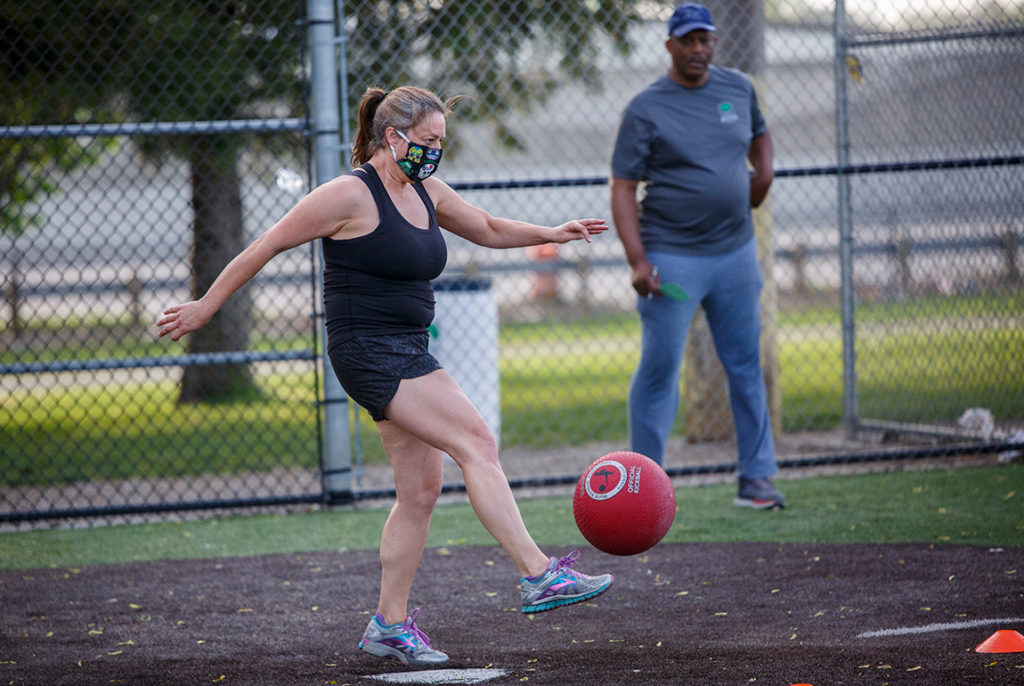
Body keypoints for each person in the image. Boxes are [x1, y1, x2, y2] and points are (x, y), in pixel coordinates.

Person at [158, 85, 614, 667]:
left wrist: (551, 232)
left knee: (419, 492)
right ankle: (537, 575)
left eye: (441, 142)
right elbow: (265, 245)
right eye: (427, 141)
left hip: (406, 347)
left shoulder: (423, 190)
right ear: (392, 136)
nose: (434, 152)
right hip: (367, 350)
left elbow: (488, 226)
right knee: (476, 441)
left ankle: (389, 625)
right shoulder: (349, 194)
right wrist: (205, 306)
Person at [609, 4, 786, 510]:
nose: (697, 49)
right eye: (687, 40)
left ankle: (757, 479)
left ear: (713, 43)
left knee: (745, 366)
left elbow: (760, 133)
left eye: (705, 39)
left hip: (735, 254)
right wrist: (638, 261)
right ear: (670, 45)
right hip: (672, 262)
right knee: (660, 367)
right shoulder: (645, 109)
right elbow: (623, 188)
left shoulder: (737, 89)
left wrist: (765, 173)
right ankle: (644, 489)